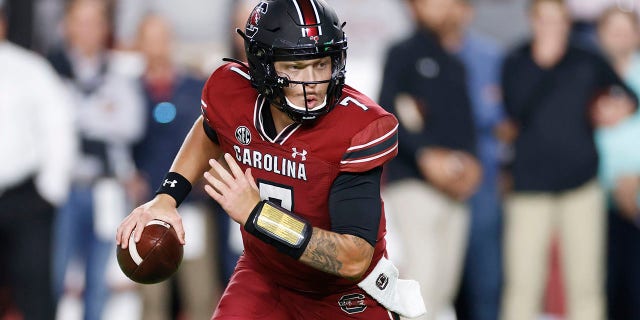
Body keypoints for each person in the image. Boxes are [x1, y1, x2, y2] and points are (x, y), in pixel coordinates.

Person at [116, 0, 426, 319]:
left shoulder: (358, 127)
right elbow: (208, 128)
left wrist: (259, 214)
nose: (313, 83)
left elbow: (354, 258)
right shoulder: (231, 92)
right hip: (266, 277)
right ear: (262, 66)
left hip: (343, 294)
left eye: (321, 63)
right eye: (295, 66)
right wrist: (167, 197)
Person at [499, 1, 637, 319]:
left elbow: (628, 95)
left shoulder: (587, 57)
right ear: (532, 21)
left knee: (586, 285)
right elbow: (514, 109)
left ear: (568, 22)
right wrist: (544, 63)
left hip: (581, 185)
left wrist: (616, 108)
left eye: (558, 20)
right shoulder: (517, 59)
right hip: (529, 188)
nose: (551, 27)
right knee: (522, 285)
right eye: (544, 20)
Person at [378, 0, 482, 319]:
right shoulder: (402, 53)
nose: (441, 8)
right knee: (422, 283)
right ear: (414, 7)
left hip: (454, 187)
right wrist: (424, 154)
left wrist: (472, 165)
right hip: (413, 184)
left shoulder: (456, 63)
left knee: (444, 288)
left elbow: (467, 128)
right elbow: (387, 116)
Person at [47, 0, 145, 319]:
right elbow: (51, 123)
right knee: (54, 272)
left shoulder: (119, 71)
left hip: (105, 186)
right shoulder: (50, 69)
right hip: (64, 186)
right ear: (67, 26)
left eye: (95, 22)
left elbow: (132, 123)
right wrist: (99, 113)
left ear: (105, 28)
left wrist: (77, 115)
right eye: (81, 21)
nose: (88, 29)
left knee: (99, 276)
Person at [130, 14, 220, 320]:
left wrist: (208, 177)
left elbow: (217, 139)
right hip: (146, 210)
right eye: (150, 38)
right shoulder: (129, 92)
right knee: (151, 296)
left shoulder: (197, 88)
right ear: (138, 44)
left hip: (192, 205)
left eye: (162, 38)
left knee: (201, 294)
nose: (157, 47)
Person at [0, 0, 77, 318]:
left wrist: (50, 191)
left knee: (36, 296)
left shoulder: (29, 68)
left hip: (25, 200)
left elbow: (59, 125)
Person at [440, 1, 506, 320]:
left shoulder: (490, 57)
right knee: (439, 279)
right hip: (436, 180)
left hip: (485, 180)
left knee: (487, 281)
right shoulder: (418, 53)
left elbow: (500, 120)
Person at [594, 7, 640, 320]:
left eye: (626, 30)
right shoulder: (586, 72)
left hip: (636, 199)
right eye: (613, 30)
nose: (620, 37)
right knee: (601, 290)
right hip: (594, 197)